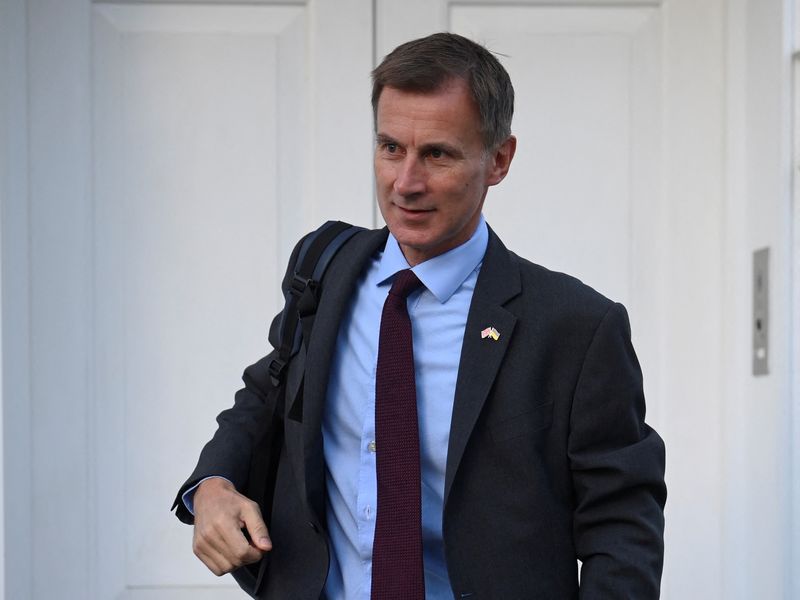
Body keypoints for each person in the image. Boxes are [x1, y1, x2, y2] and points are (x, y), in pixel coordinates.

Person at [173, 32, 666, 599]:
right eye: (390, 148)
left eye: (437, 153)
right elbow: (268, 395)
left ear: (499, 160)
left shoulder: (576, 327)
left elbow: (622, 525)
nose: (405, 183)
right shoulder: (324, 267)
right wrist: (211, 484)